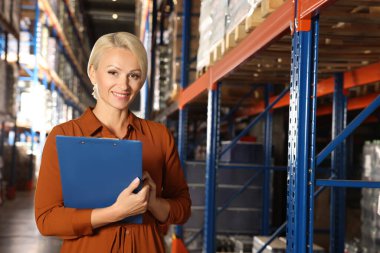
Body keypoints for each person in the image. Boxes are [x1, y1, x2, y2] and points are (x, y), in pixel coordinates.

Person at [34, 32, 191, 253]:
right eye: (113, 73)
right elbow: (46, 220)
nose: (123, 85)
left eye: (134, 75)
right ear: (93, 73)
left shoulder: (159, 136)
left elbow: (183, 209)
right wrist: (115, 212)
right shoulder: (65, 136)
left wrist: (153, 203)